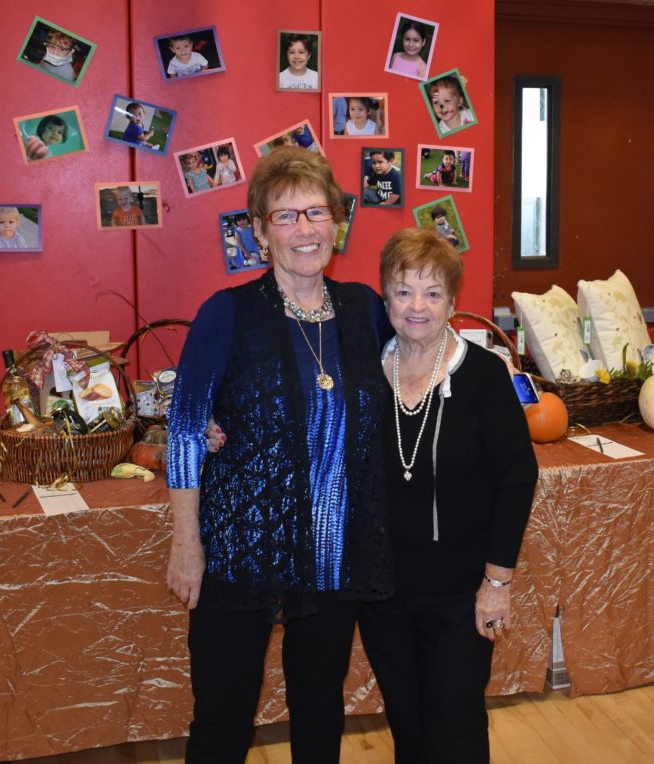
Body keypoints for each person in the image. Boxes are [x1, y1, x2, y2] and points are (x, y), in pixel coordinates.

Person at [165, 146, 394, 763]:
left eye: (316, 213)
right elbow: (186, 430)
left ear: (337, 223)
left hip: (332, 553)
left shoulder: (364, 310)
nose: (303, 230)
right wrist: (187, 545)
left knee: (320, 710)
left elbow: (419, 371)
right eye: (285, 216)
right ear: (261, 231)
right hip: (242, 548)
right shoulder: (227, 314)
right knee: (222, 716)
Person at [360, 227, 538, 764]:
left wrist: (497, 583)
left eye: (432, 293)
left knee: (455, 722)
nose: (417, 306)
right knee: (407, 722)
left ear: (452, 303)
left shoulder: (484, 375)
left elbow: (518, 476)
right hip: (383, 590)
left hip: (462, 594)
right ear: (386, 297)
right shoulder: (365, 372)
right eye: (403, 290)